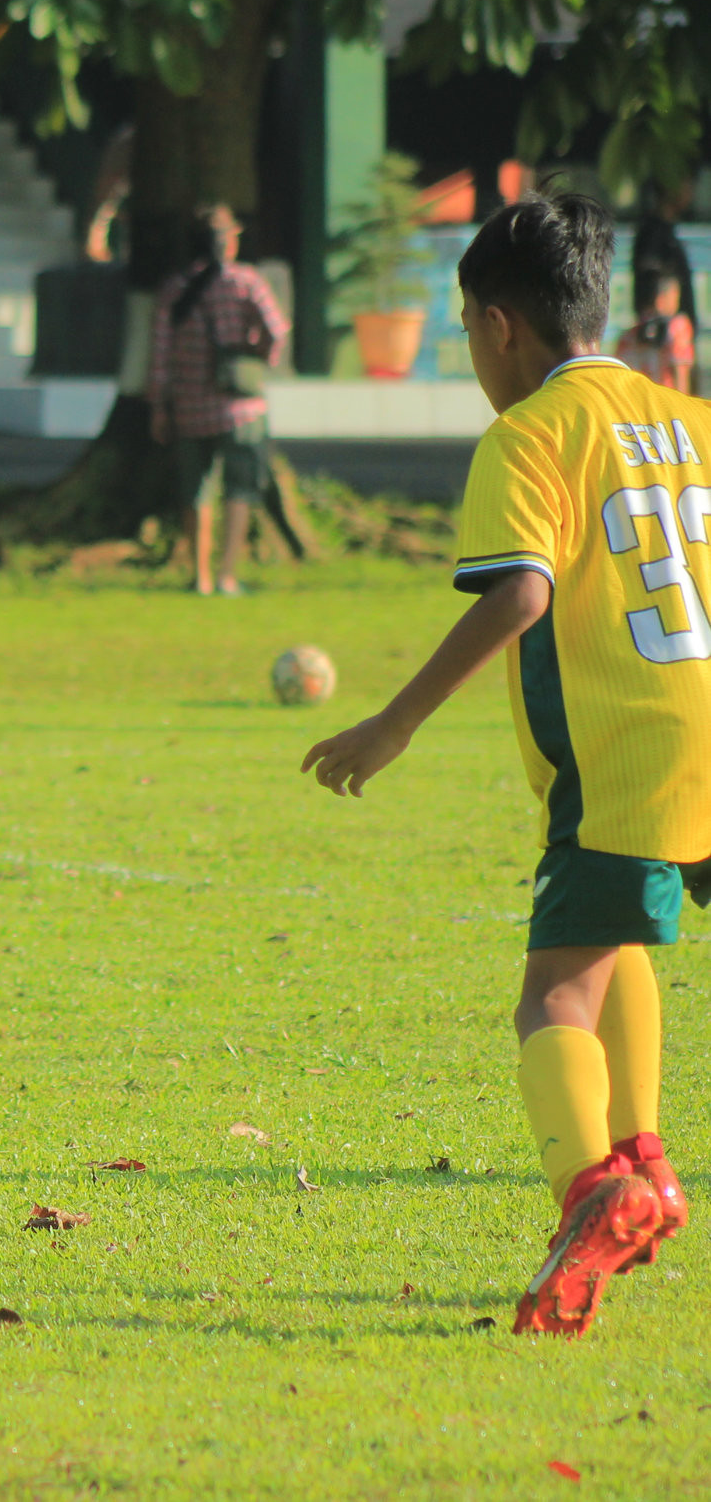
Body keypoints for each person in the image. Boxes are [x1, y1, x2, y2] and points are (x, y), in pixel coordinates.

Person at [301, 192, 692, 1338]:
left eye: (465, 328)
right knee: (618, 939)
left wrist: (395, 721)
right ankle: (646, 1159)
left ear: (497, 324)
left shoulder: (527, 435)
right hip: (703, 728)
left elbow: (521, 592)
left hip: (623, 746)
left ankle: (592, 1189)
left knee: (551, 993)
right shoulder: (688, 419)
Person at [146, 203, 289, 596]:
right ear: (230, 241)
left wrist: (158, 405)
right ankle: (227, 574)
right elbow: (277, 330)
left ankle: (200, 576)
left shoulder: (174, 289)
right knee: (239, 489)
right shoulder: (247, 282)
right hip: (241, 406)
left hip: (189, 407)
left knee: (196, 491)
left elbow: (160, 353)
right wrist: (256, 355)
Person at [615, 264, 696, 396]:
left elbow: (619, 377)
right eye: (675, 295)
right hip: (665, 402)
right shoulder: (678, 327)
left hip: (637, 402)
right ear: (661, 299)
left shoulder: (628, 336)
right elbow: (681, 373)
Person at [633, 176, 696, 329]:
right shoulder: (652, 234)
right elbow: (649, 276)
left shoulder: (667, 232)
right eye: (686, 187)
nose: (690, 194)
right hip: (663, 328)